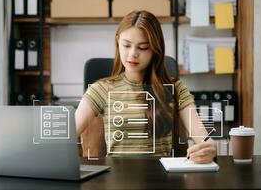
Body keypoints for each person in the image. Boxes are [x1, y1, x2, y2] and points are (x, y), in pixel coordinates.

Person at [75, 10, 216, 163]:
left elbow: (203, 138)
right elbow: (67, 133)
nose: (133, 54)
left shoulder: (174, 88)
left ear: (155, 50)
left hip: (162, 179)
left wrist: (208, 147)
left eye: (143, 47)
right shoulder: (101, 89)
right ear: (118, 42)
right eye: (126, 45)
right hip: (117, 179)